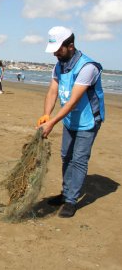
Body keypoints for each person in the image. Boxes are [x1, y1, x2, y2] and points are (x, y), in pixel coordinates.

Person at [37, 26, 105, 218]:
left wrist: (52, 123)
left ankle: (71, 201)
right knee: (66, 155)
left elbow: (74, 99)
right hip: (69, 119)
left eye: (59, 49)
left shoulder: (87, 67)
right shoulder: (59, 65)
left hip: (88, 121)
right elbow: (53, 91)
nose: (55, 54)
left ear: (71, 46)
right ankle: (66, 192)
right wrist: (46, 115)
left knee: (79, 159)